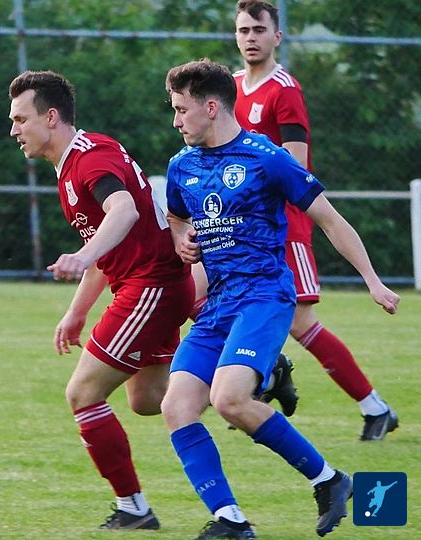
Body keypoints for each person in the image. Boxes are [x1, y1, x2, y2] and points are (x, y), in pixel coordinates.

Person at [162, 59, 400, 538]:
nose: (176, 121)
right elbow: (177, 218)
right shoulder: (181, 165)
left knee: (228, 399)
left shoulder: (265, 157)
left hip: (264, 296)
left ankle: (327, 479)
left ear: (212, 107)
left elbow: (330, 219)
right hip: (219, 304)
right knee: (177, 406)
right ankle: (231, 520)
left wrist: (372, 280)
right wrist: (183, 241)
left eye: (181, 110)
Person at [189, 0, 397, 440]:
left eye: (258, 30)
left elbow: (296, 167)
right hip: (235, 229)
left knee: (301, 322)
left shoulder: (284, 90)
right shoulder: (229, 87)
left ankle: (373, 407)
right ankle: (256, 377)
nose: (250, 38)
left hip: (282, 227)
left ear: (277, 36)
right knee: (197, 297)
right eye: (243, 30)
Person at [8, 70, 194, 531]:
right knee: (149, 400)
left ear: (51, 117)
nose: (14, 130)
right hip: (151, 284)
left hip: (150, 286)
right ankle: (244, 383)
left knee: (83, 394)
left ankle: (133, 507)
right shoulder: (74, 161)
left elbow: (123, 211)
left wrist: (82, 255)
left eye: (20, 119)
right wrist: (76, 312)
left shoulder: (89, 159)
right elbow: (106, 242)